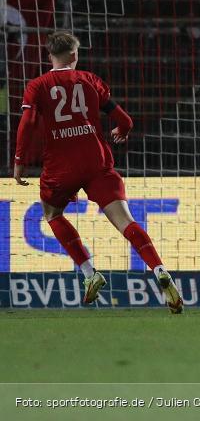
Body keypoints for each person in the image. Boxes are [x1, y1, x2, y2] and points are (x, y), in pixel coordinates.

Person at [13, 31, 183, 313]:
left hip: (60, 167)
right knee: (126, 222)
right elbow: (124, 120)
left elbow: (27, 122)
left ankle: (89, 272)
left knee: (52, 214)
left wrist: (19, 159)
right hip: (97, 162)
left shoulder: (37, 85)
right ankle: (159, 269)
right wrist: (122, 130)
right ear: (74, 54)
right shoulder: (89, 80)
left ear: (50, 55)